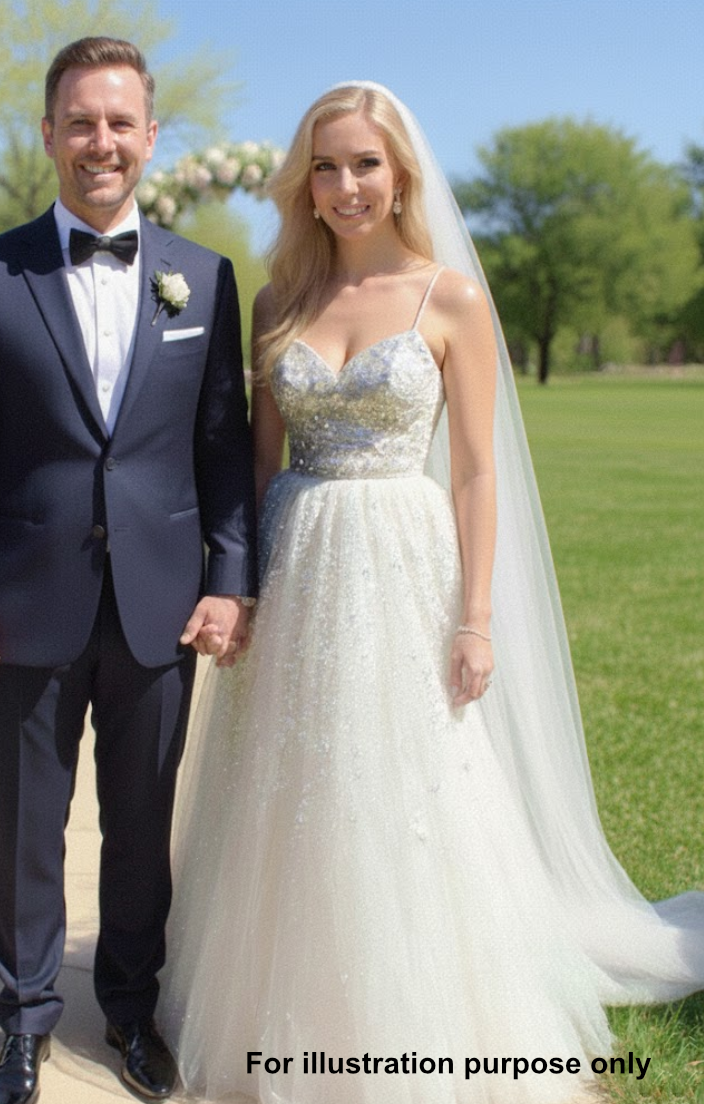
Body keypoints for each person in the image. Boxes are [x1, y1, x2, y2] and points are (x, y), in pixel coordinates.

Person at [159, 82, 704, 1104]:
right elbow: (259, 465)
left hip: (403, 563)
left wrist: (475, 619)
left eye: (365, 163)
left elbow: (476, 472)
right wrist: (242, 589)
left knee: (406, 776)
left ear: (401, 174)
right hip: (297, 559)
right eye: (325, 166)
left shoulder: (448, 298)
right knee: (288, 775)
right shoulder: (277, 302)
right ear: (303, 184)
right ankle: (278, 1002)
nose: (345, 185)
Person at [0, 36, 257, 1104]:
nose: (99, 141)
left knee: (141, 826)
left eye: (118, 122)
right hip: (22, 602)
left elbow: (223, 447)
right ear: (48, 134)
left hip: (163, 603)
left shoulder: (205, 278)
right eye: (79, 121)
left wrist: (229, 579)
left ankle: (129, 1010)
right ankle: (22, 1024)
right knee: (28, 825)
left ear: (150, 137)